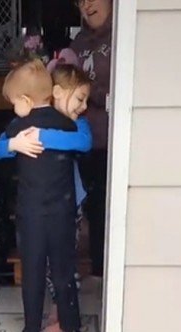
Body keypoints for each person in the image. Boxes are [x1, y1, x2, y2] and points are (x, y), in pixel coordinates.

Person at [0, 63, 93, 332]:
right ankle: (72, 330)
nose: (14, 109)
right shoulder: (67, 124)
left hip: (30, 213)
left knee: (33, 271)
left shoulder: (18, 127)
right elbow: (84, 142)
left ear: (25, 101)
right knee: (64, 270)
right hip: (62, 210)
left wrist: (15, 143)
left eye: (13, 103)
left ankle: (32, 329)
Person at [71, 0, 113, 279]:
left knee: (104, 212)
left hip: (110, 143)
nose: (86, 5)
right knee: (81, 210)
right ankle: (83, 278)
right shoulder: (78, 42)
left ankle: (102, 276)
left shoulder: (122, 34)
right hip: (81, 141)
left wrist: (89, 93)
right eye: (80, 1)